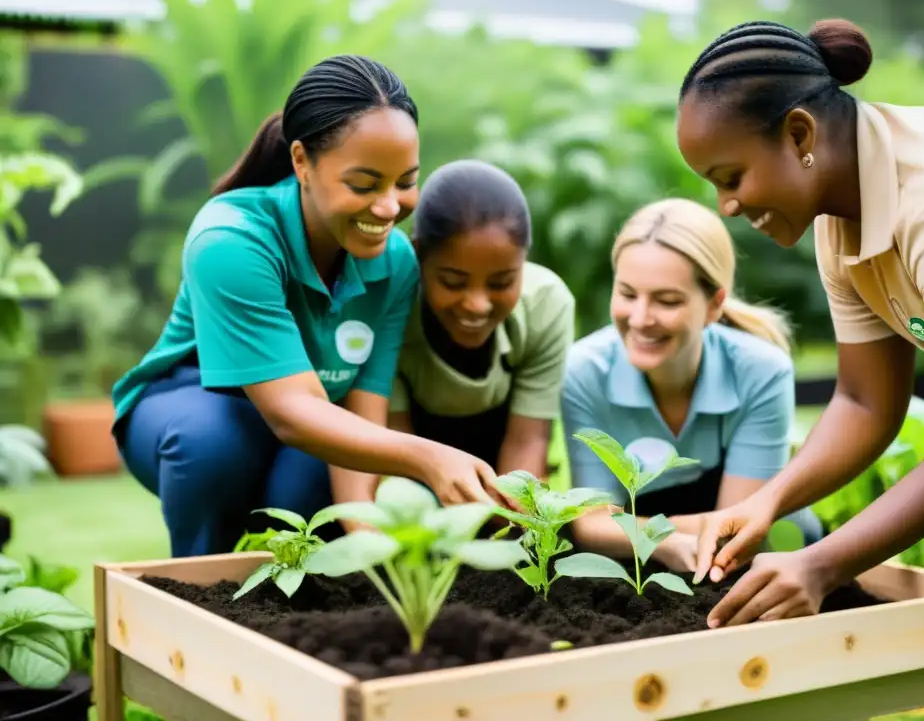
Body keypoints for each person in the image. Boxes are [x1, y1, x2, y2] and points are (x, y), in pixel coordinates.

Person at [675, 17, 924, 712]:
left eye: (731, 177)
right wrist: (764, 501)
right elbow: (866, 403)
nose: (727, 206)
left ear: (800, 135)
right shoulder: (841, 221)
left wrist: (819, 564)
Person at [111, 55, 507, 558]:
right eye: (364, 184)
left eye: (406, 182)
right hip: (192, 404)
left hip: (310, 420)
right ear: (302, 161)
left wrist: (365, 536)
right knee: (212, 445)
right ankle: (198, 580)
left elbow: (364, 405)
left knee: (308, 487)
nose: (389, 207)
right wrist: (430, 458)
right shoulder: (231, 239)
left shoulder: (395, 262)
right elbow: (290, 410)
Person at [561, 198, 822, 573]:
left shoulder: (762, 371)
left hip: (757, 554)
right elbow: (591, 524)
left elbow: (739, 530)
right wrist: (663, 541)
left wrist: (632, 529)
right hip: (640, 560)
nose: (640, 318)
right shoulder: (584, 371)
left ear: (714, 305)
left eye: (667, 301)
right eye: (628, 294)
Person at [381, 159, 575, 488]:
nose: (477, 304)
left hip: (501, 456)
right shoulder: (389, 303)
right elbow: (393, 437)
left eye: (501, 283)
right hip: (411, 460)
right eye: (453, 282)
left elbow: (527, 439)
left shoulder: (545, 305)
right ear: (418, 256)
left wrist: (508, 512)